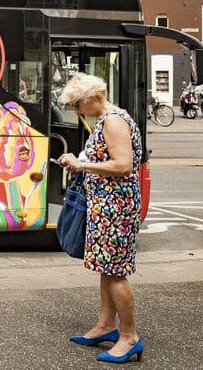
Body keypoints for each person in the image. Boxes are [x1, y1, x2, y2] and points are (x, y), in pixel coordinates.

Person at [57, 73, 144, 363]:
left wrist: (81, 165)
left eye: (77, 105)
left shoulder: (114, 121)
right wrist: (81, 163)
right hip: (105, 205)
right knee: (106, 268)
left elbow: (123, 164)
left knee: (116, 272)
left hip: (115, 207)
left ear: (93, 98)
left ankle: (129, 337)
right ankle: (106, 326)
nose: (76, 111)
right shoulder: (107, 119)